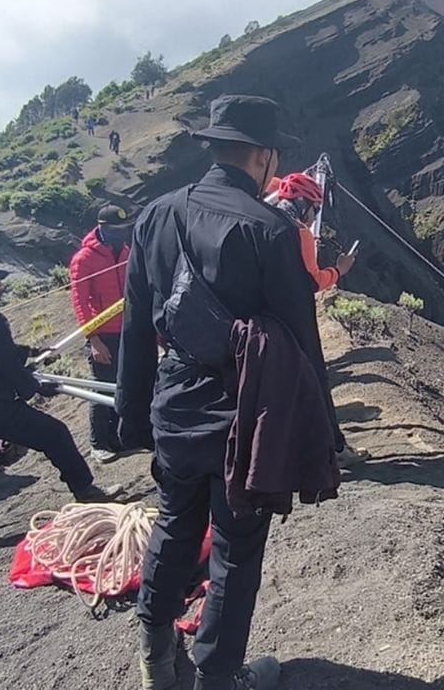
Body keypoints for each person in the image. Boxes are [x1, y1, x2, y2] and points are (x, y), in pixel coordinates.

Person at [117, 94, 343, 690]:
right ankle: (218, 677)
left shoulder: (156, 215)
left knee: (174, 523)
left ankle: (157, 660)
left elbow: (136, 324)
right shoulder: (271, 229)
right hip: (243, 411)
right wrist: (325, 432)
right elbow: (300, 341)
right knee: (236, 547)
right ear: (264, 157)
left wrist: (132, 417)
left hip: (173, 399)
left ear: (216, 148)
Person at [0, 253, 120, 563]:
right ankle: (85, 491)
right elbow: (6, 366)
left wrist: (31, 352)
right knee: (55, 434)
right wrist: (37, 388)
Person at [70, 203, 133, 463]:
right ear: (102, 228)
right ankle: (98, 443)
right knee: (102, 388)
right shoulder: (84, 259)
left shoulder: (126, 251)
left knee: (124, 384)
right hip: (103, 334)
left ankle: (117, 438)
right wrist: (93, 339)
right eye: (116, 229)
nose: (121, 233)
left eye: (124, 228)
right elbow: (80, 302)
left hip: (127, 330)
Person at [274, 172, 354, 293]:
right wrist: (339, 270)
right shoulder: (301, 233)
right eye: (316, 209)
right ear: (302, 204)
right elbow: (314, 282)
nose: (316, 217)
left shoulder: (260, 218)